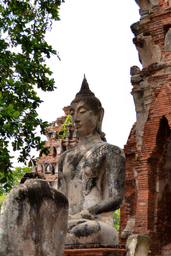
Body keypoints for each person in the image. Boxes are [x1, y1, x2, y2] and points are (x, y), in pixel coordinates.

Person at [57, 77, 126, 245]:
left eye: (82, 111)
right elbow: (61, 199)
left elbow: (117, 197)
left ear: (99, 115)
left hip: (97, 223)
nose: (76, 119)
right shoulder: (65, 157)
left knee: (85, 231)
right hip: (69, 222)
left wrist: (86, 213)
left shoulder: (110, 151)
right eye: (73, 113)